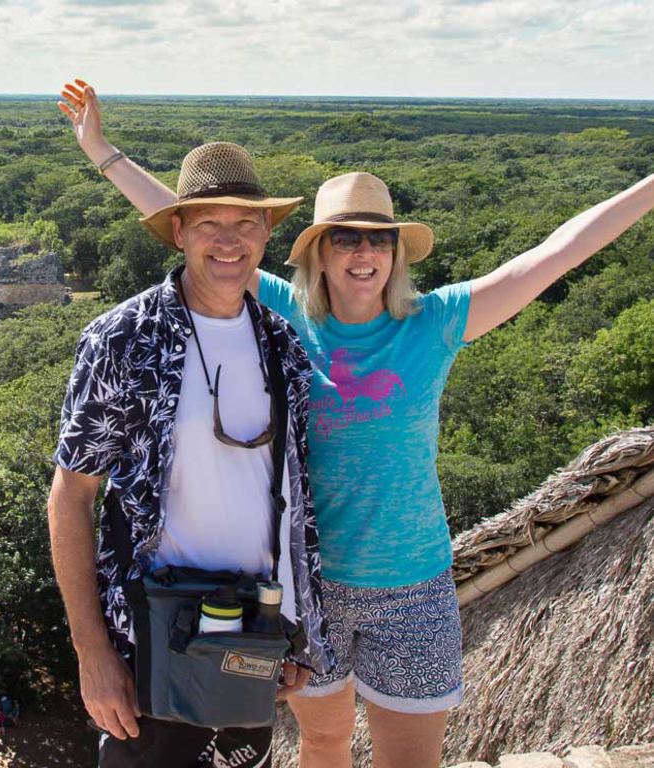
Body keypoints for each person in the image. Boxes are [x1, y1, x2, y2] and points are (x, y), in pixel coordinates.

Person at [58, 80, 654, 768]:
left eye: (379, 239)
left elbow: (557, 254)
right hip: (312, 589)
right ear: (319, 251)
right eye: (345, 237)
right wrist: (103, 153)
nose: (363, 252)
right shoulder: (286, 318)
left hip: (415, 585)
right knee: (324, 741)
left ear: (397, 253)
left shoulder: (435, 324)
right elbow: (208, 229)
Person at [47, 136, 335, 767]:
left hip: (248, 637)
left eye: (245, 223)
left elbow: (282, 497)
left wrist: (289, 631)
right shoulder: (123, 339)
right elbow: (71, 496)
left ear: (266, 234)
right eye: (209, 223)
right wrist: (91, 653)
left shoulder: (281, 343)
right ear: (178, 231)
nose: (228, 241)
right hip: (154, 635)